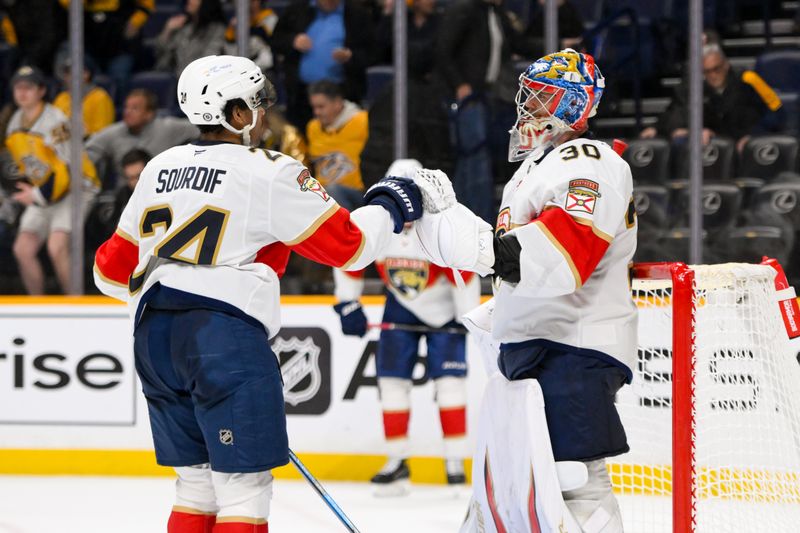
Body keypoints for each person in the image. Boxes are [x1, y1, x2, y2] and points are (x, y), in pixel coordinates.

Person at [92, 54, 440, 533]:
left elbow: (108, 272)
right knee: (243, 489)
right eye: (255, 103)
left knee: (195, 486)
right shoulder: (270, 169)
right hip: (221, 335)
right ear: (234, 113)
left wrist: (177, 280)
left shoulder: (160, 165)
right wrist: (392, 203)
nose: (263, 112)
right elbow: (350, 247)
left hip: (153, 333)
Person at [461, 49, 636, 532]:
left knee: (574, 478)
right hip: (536, 343)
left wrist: (474, 246)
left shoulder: (590, 158)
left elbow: (566, 254)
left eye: (539, 98)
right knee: (515, 483)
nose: (526, 109)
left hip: (572, 344)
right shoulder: (537, 166)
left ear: (573, 105)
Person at [333, 158, 480, 495]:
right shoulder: (380, 224)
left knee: (449, 386)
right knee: (391, 384)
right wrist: (348, 302)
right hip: (399, 307)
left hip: (444, 311)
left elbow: (464, 273)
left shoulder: (441, 226)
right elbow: (350, 259)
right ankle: (397, 461)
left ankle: (454, 464)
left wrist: (466, 316)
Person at [5, 65, 100, 295]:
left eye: (28, 87)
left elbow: (66, 170)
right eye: (18, 87)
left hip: (77, 187)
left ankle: (73, 305)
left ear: (41, 91)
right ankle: (38, 306)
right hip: (46, 191)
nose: (22, 92)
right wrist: (25, 189)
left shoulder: (55, 121)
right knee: (22, 248)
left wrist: (35, 195)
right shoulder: (15, 121)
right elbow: (25, 167)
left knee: (56, 246)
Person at [436, 0, 526, 224]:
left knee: (477, 157)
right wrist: (460, 84)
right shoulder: (462, 9)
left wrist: (561, 43)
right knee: (474, 157)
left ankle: (463, 219)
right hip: (468, 98)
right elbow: (442, 50)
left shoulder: (497, 13)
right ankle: (477, 220)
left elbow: (519, 44)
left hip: (490, 97)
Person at [640, 43, 775, 153]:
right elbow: (675, 112)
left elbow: (776, 111)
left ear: (726, 65)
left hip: (750, 146)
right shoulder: (696, 89)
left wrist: (754, 135)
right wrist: (656, 128)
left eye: (717, 69)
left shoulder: (749, 79)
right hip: (717, 150)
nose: (713, 75)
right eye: (707, 71)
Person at [271, 0, 373, 130]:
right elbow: (276, 40)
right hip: (300, 96)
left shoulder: (357, 15)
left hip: (342, 94)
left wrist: (350, 56)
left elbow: (373, 52)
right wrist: (293, 41)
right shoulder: (297, 10)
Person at [86, 88, 199, 189]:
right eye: (126, 107)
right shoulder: (113, 133)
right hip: (125, 198)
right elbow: (85, 153)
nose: (127, 112)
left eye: (135, 108)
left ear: (149, 114)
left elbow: (203, 127)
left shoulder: (168, 128)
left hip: (161, 192)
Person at [306, 79, 368, 210]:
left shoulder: (363, 121)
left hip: (357, 194)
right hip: (321, 195)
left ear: (338, 103)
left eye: (321, 107)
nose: (316, 112)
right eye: (314, 107)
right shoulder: (312, 127)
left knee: (333, 191)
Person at [155, 0, 227, 77]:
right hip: (180, 79)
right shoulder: (185, 27)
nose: (189, 1)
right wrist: (168, 30)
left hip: (204, 79)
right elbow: (163, 59)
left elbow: (208, 59)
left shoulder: (217, 30)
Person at [52, 58, 115, 138]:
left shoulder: (100, 97)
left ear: (86, 74)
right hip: (61, 144)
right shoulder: (61, 97)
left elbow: (103, 135)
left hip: (89, 146)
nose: (68, 77)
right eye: (67, 73)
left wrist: (83, 133)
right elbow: (51, 128)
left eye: (72, 73)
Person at [224, 0, 279, 74]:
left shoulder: (269, 17)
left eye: (252, 1)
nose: (250, 4)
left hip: (264, 69)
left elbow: (271, 41)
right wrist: (235, 28)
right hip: (240, 69)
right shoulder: (236, 23)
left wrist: (249, 28)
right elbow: (229, 49)